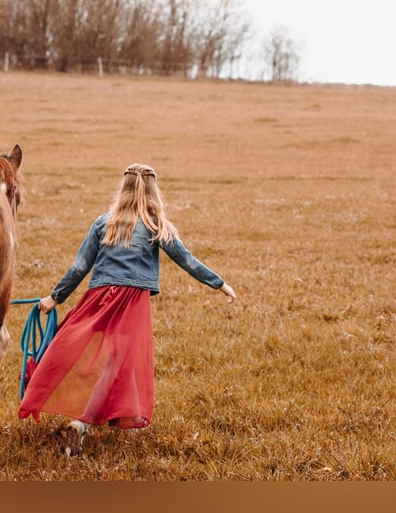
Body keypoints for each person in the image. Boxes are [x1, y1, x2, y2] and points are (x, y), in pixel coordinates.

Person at [17, 163, 237, 456]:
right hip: (131, 304)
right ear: (153, 193)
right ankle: (81, 423)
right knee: (115, 367)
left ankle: (75, 410)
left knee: (73, 349)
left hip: (98, 300)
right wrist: (219, 284)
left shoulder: (103, 223)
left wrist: (54, 298)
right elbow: (187, 260)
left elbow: (80, 267)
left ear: (123, 190)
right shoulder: (157, 226)